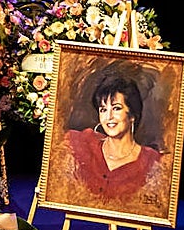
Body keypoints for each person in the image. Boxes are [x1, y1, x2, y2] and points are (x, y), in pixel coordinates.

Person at [62, 64, 163, 202]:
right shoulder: (83, 143)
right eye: (103, 110)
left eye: (116, 108)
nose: (108, 117)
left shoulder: (152, 162)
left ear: (132, 114)